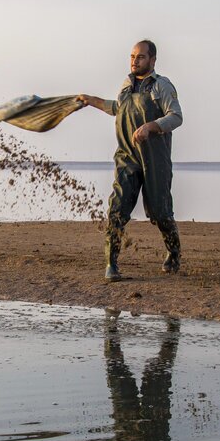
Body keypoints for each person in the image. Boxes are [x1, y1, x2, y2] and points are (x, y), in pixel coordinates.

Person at [77, 40, 183, 281]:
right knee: (117, 208)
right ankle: (111, 264)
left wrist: (151, 126)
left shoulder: (162, 87)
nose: (135, 60)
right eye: (133, 56)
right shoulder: (126, 86)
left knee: (160, 211)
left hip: (155, 160)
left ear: (153, 60)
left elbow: (176, 117)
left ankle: (174, 253)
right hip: (127, 157)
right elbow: (119, 108)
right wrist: (92, 100)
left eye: (141, 57)